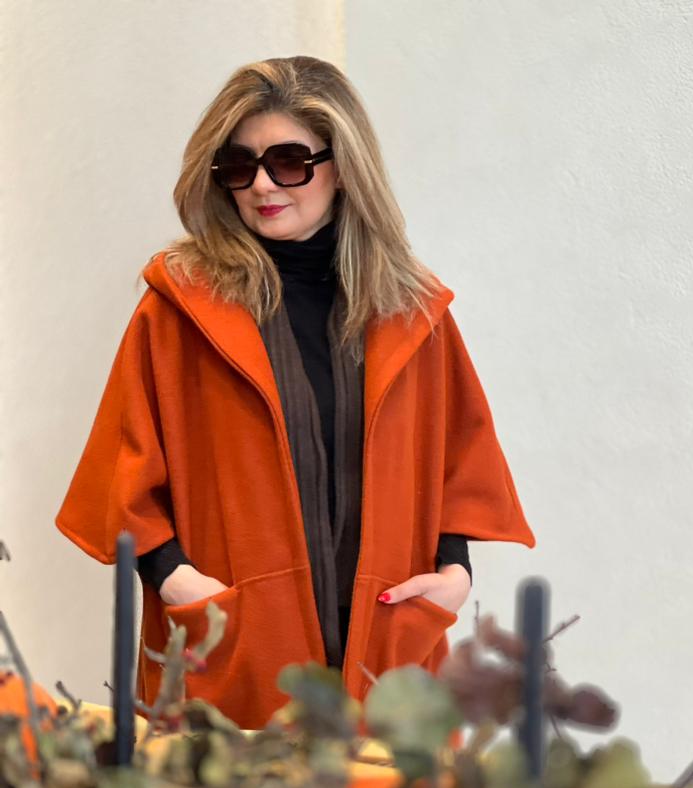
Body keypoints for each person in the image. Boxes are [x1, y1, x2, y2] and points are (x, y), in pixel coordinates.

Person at [56, 56, 535, 728]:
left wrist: (453, 574)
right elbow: (122, 475)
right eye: (238, 165)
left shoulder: (412, 310)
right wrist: (180, 583)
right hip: (236, 647)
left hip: (389, 645)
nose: (261, 185)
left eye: (288, 161)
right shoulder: (179, 309)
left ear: (344, 165)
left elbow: (461, 462)